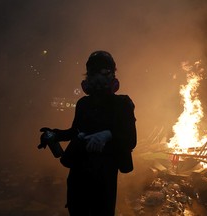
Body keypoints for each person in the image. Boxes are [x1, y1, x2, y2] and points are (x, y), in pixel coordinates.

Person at [38, 50, 137, 215]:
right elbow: (74, 131)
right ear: (87, 76)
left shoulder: (122, 104)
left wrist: (108, 135)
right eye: (93, 71)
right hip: (79, 175)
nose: (98, 77)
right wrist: (54, 134)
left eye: (104, 71)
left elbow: (130, 140)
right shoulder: (83, 104)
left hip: (104, 178)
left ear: (113, 75)